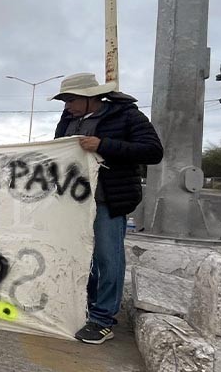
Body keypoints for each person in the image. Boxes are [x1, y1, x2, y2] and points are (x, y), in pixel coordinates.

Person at [50, 72, 163, 344]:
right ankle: (86, 307)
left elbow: (153, 151)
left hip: (108, 199)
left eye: (71, 100)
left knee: (107, 258)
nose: (67, 106)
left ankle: (102, 320)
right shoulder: (68, 120)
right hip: (76, 201)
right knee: (81, 256)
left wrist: (104, 145)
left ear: (90, 97)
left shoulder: (126, 115)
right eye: (65, 101)